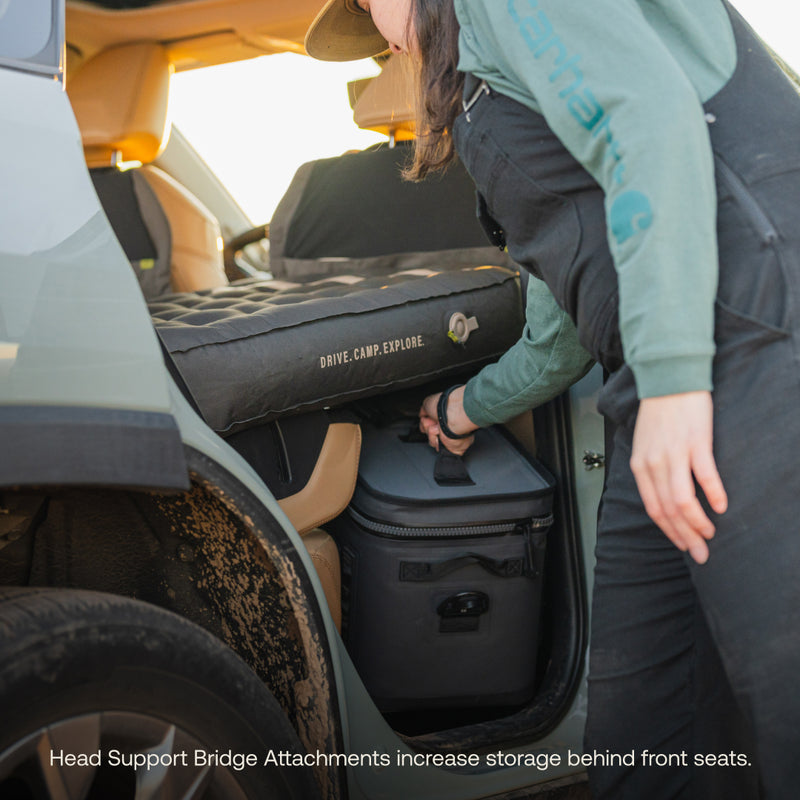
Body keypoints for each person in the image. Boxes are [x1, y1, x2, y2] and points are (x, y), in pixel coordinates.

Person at [306, 1, 800, 797]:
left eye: (372, 12)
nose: (386, 44)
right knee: (648, 741)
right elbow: (566, 321)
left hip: (759, 340)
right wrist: (465, 407)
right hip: (663, 390)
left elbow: (648, 119)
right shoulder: (488, 83)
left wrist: (674, 381)